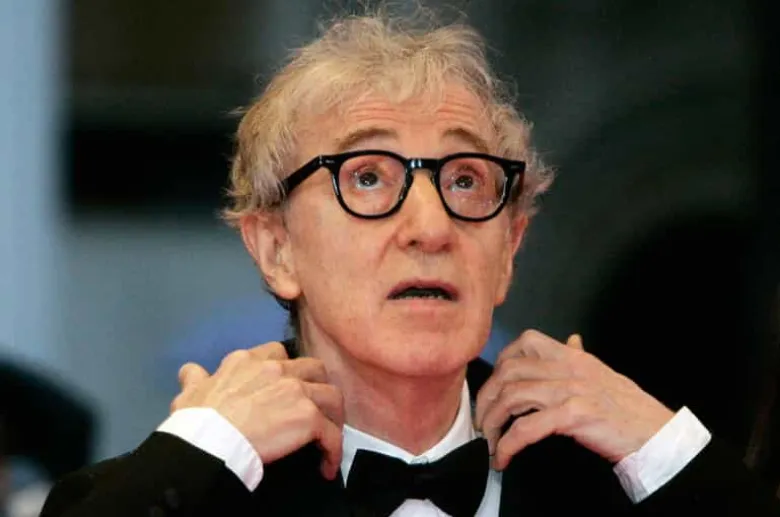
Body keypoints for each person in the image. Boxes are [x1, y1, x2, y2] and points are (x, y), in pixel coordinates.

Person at [40, 10, 780, 517]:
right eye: (366, 176)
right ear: (276, 247)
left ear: (509, 248)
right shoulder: (194, 490)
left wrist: (659, 441)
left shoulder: (610, 488)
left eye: (465, 181)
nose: (430, 227)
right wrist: (206, 450)